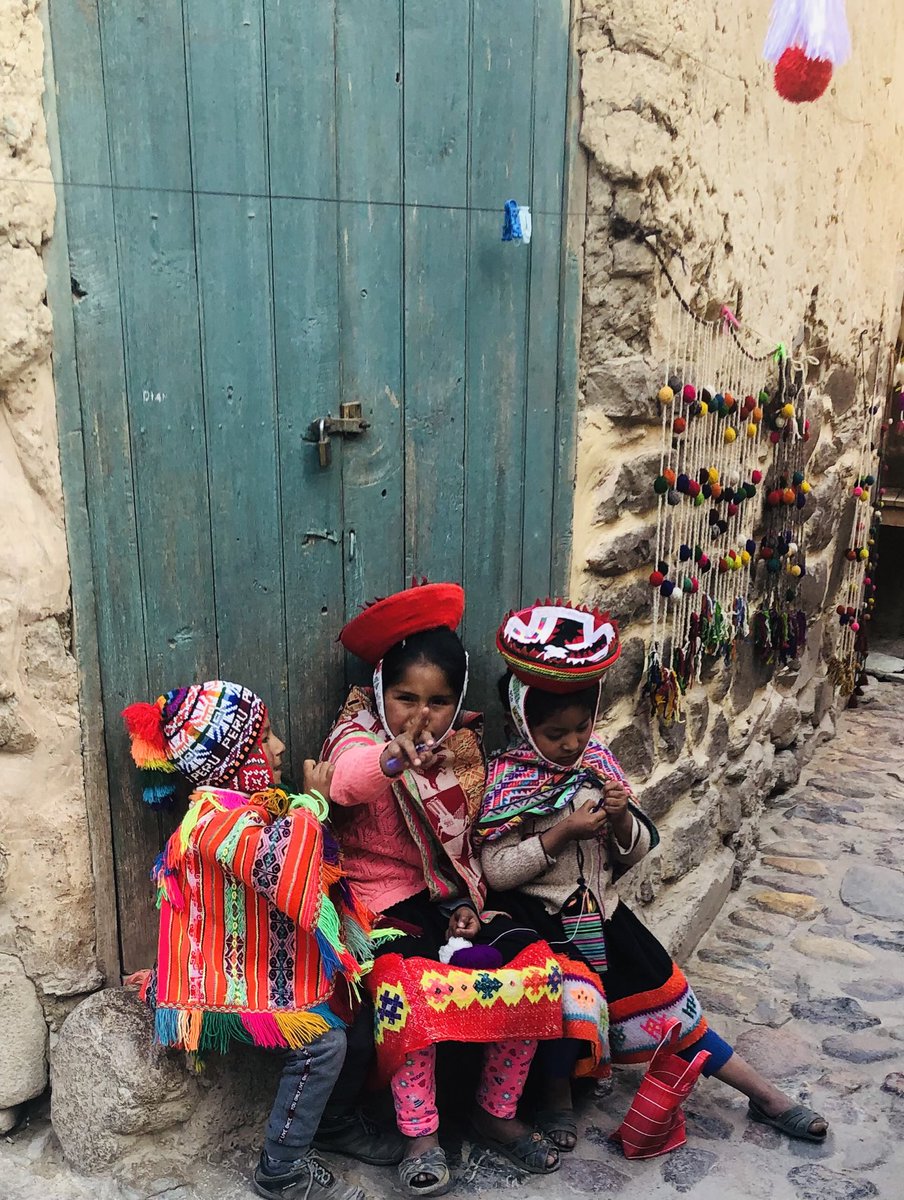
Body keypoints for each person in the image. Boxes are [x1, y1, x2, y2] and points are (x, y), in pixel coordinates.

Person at [475, 601, 829, 1152]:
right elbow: (495, 871)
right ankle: (556, 1102)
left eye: (582, 727)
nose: (572, 743)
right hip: (544, 928)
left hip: (607, 920)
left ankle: (763, 1093)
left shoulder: (597, 763)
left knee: (673, 1008)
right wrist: (560, 833)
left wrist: (618, 817)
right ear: (521, 723)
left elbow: (633, 851)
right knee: (566, 1006)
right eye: (555, 733)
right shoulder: (506, 782)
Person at [322, 581, 561, 1196]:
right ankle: (420, 1133)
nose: (418, 717)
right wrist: (391, 761)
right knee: (410, 989)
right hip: (380, 902)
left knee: (533, 970)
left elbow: (471, 835)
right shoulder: (358, 733)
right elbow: (345, 782)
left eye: (437, 702)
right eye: (404, 697)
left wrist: (462, 903)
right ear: (380, 691)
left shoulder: (462, 749)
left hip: (453, 900)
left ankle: (494, 1112)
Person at [122, 680, 390, 1200]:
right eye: (265, 737)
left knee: (354, 1005)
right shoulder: (214, 822)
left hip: (257, 964)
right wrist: (311, 804)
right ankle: (280, 1168)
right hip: (220, 979)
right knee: (323, 1044)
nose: (280, 747)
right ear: (231, 759)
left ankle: (330, 1122)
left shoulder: (241, 808)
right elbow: (286, 874)